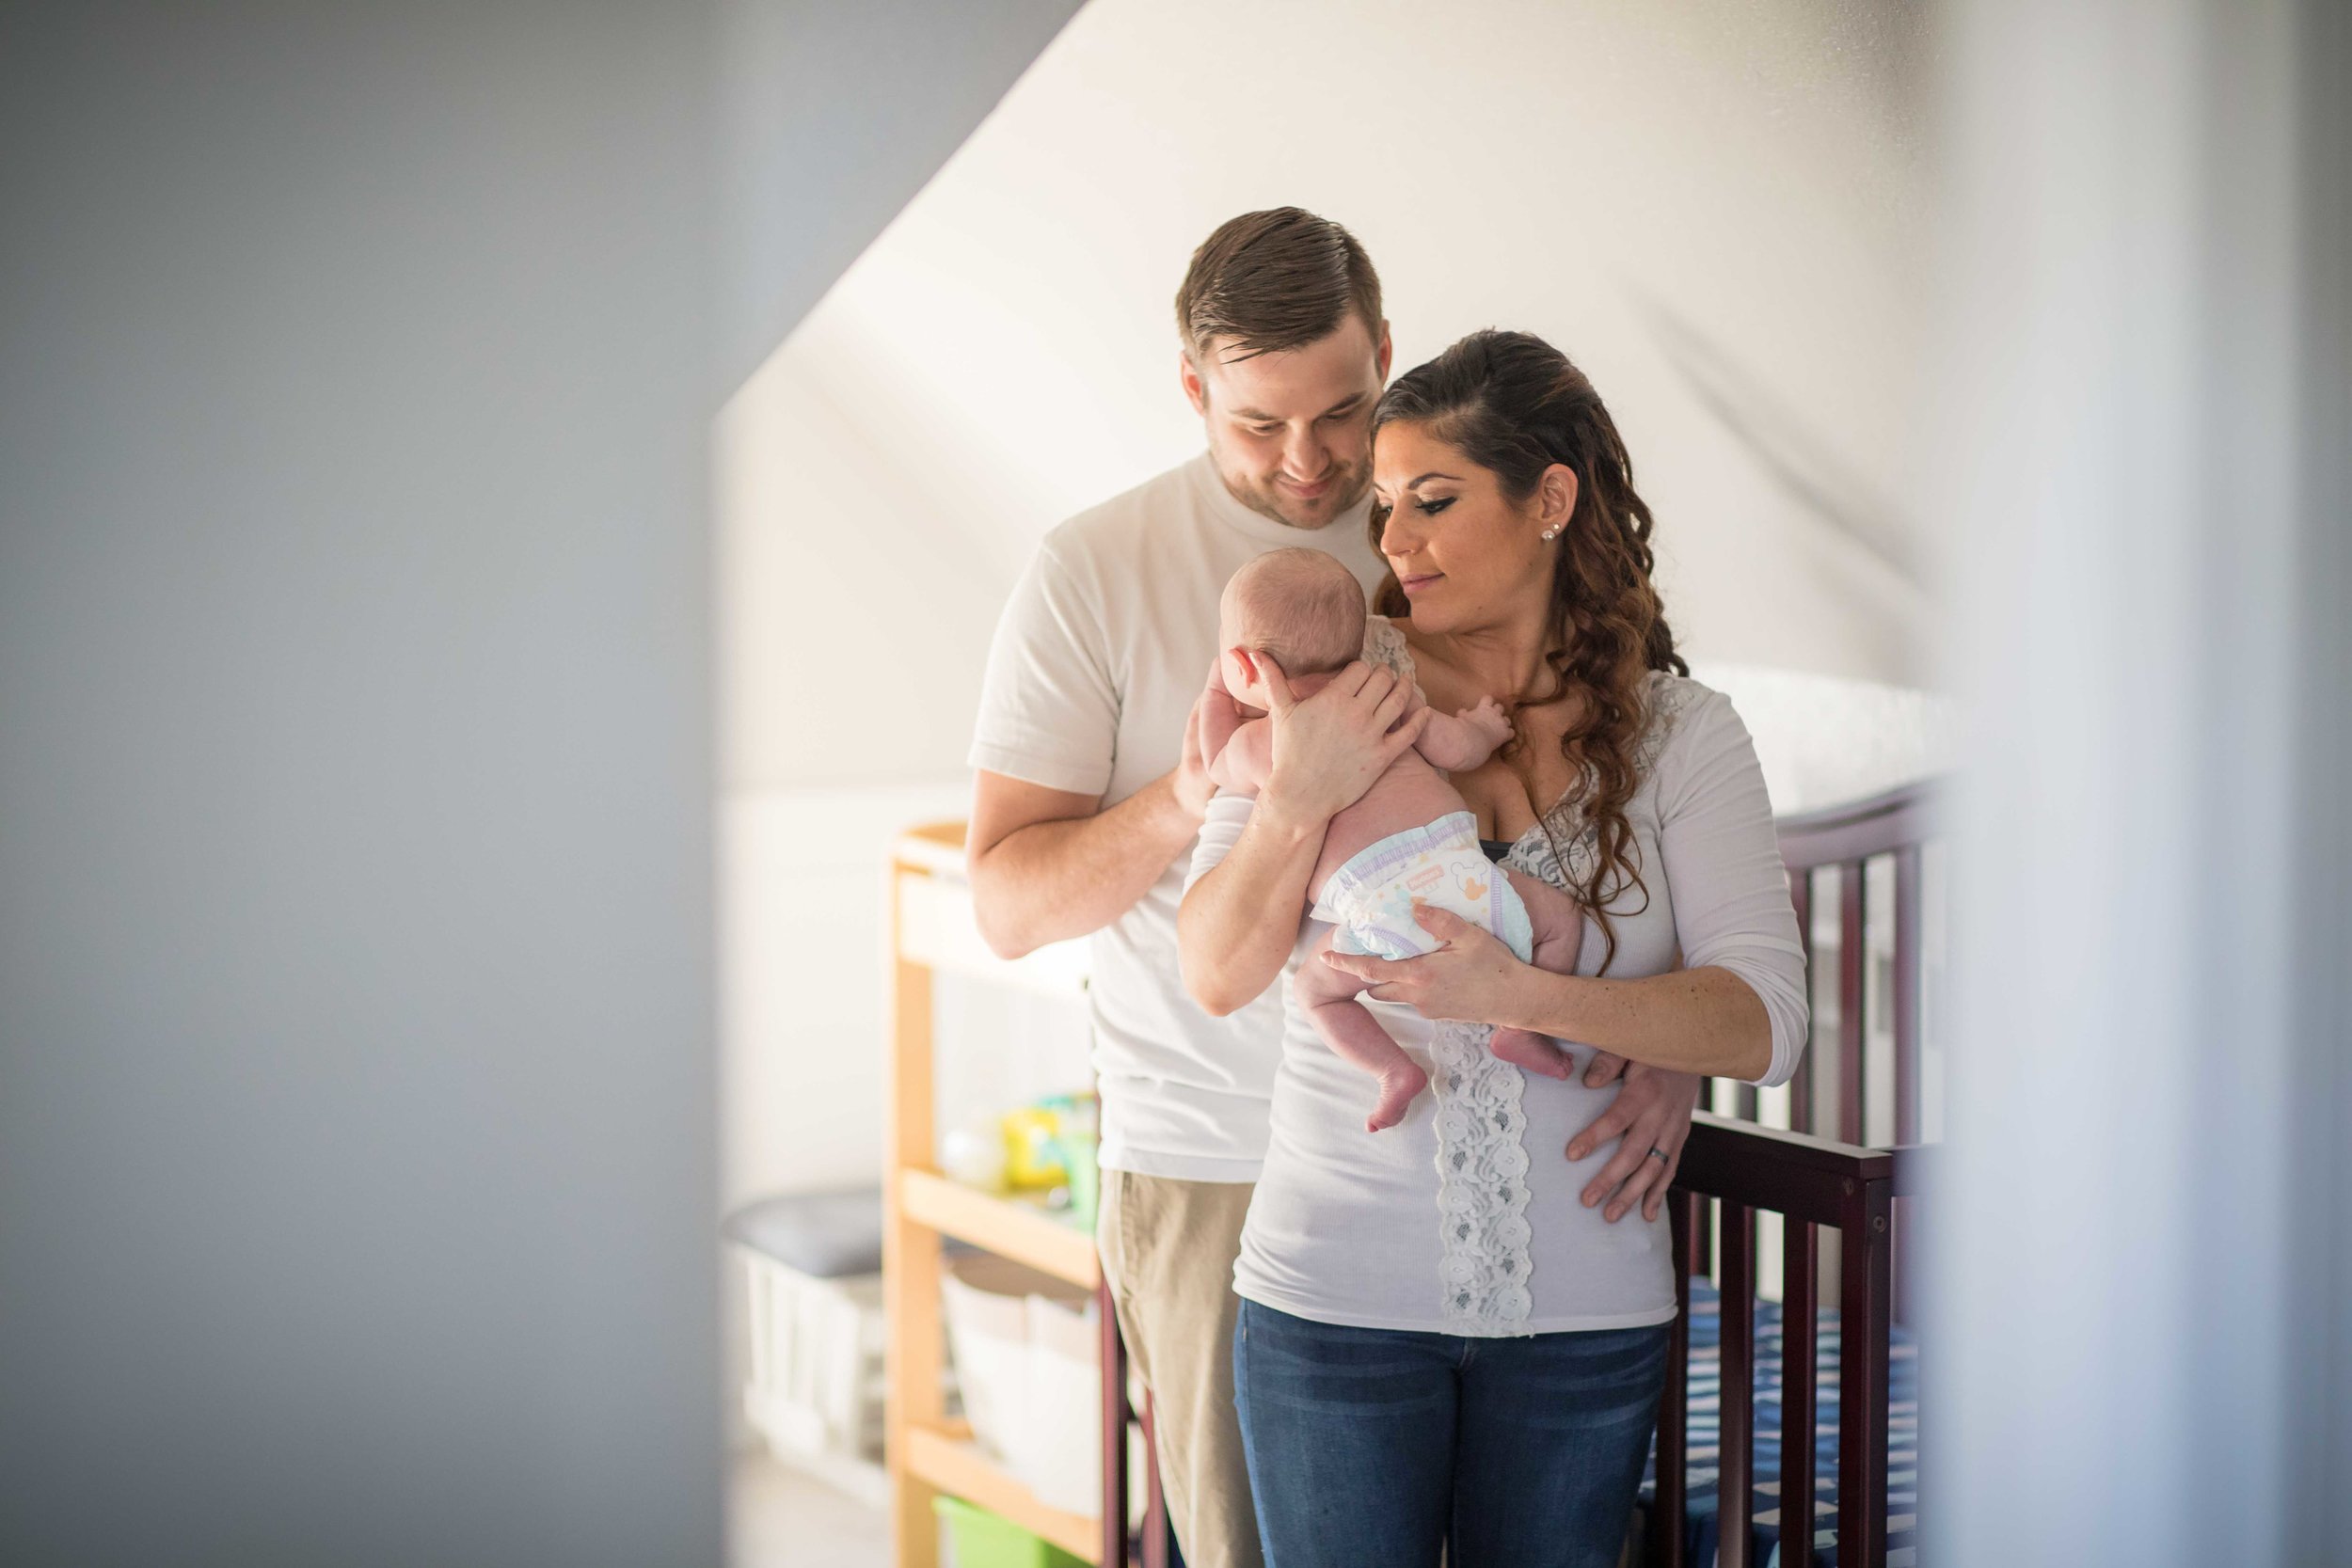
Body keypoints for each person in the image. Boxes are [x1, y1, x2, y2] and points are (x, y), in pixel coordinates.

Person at [1179, 329, 1809, 1568]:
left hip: (1587, 1322)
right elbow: (1216, 969)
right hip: (1331, 1308)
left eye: (1434, 499)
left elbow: (1764, 1018)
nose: (1394, 540)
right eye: (1382, 506)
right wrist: (1299, 794)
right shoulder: (1331, 685)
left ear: (1551, 502)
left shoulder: (1683, 734)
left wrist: (1543, 996)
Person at [1198, 546, 1581, 1132]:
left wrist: (1215, 701)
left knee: (1318, 994)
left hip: (1374, 909)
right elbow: (1459, 750)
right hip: (1466, 877)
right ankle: (1520, 1029)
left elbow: (1215, 765)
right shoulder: (1391, 699)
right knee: (1558, 918)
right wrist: (1483, 726)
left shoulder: (1262, 745)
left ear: (1245, 669)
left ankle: (1393, 1072)